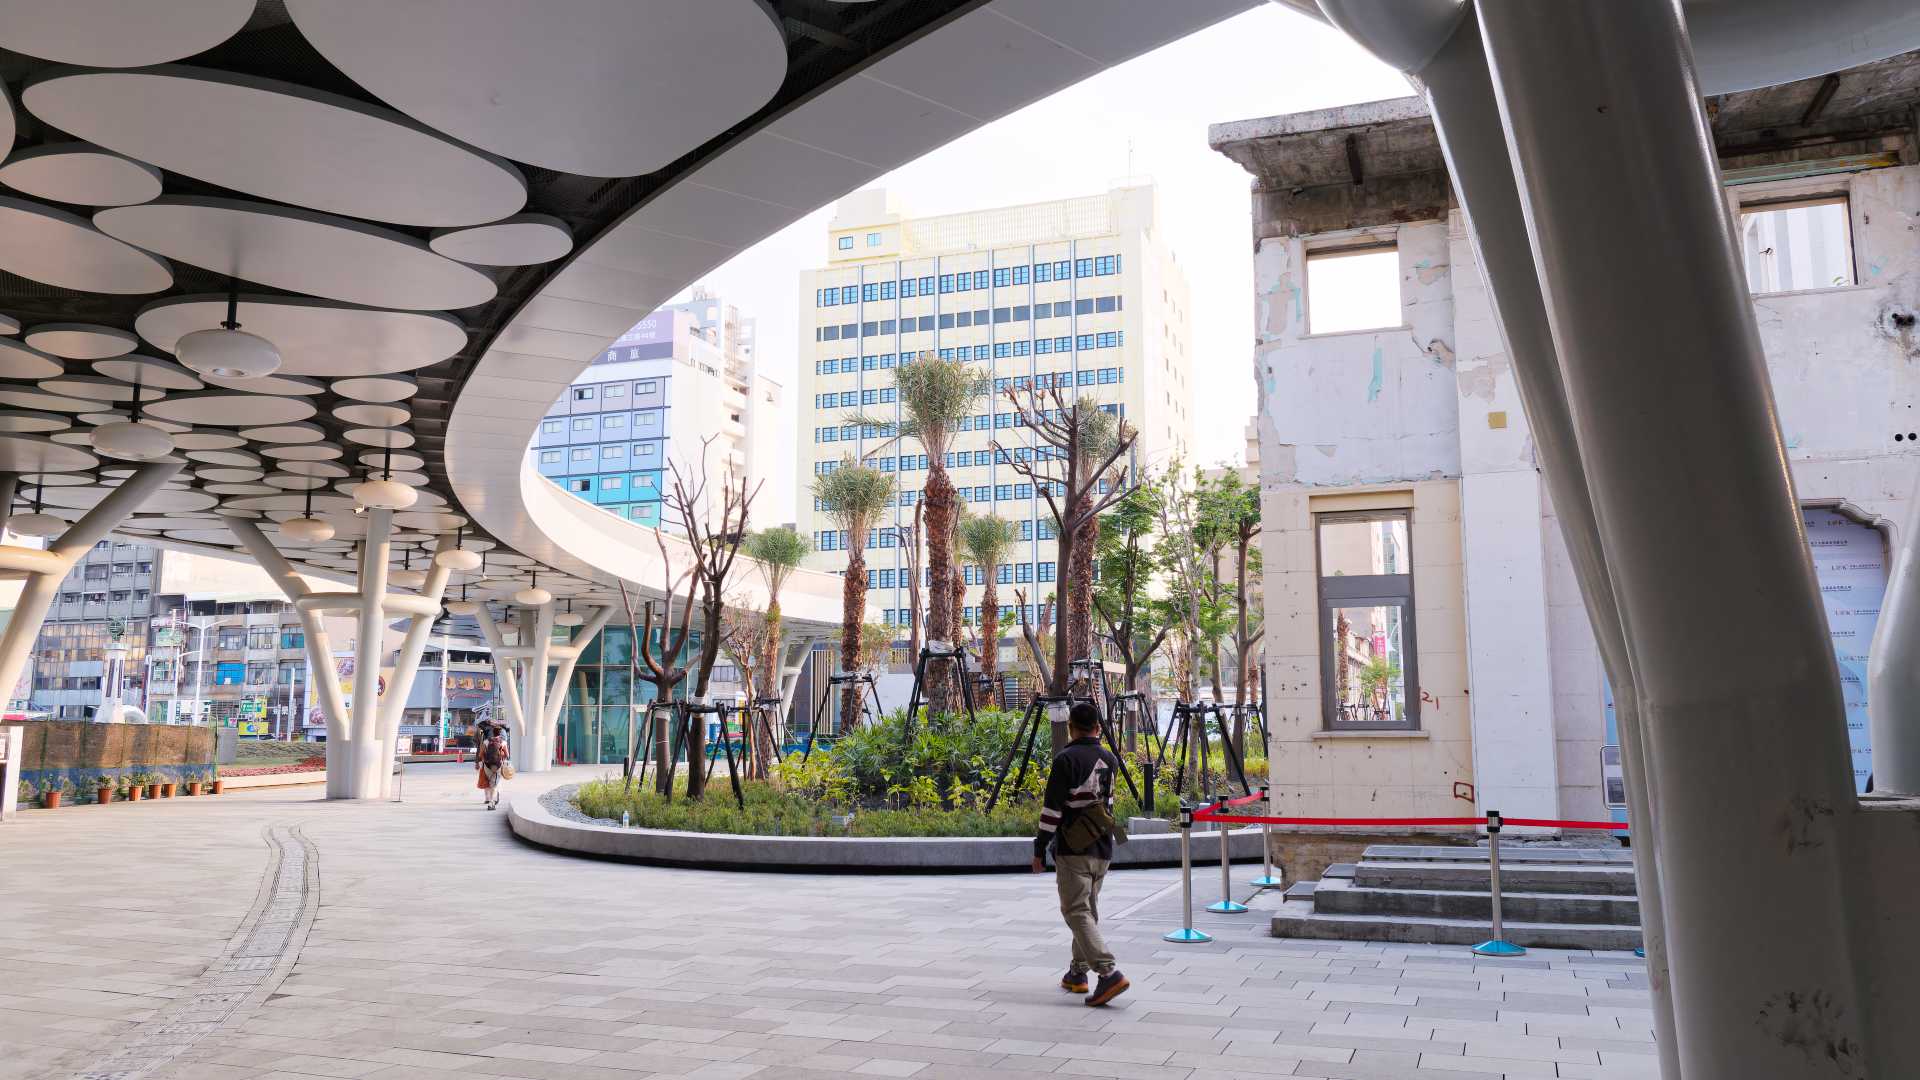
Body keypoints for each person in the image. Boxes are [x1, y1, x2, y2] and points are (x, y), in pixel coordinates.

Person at [1032, 701, 1128, 1006]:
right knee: (1086, 907)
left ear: (1071, 727)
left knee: (1076, 911)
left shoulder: (1065, 760)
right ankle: (1077, 973)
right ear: (1098, 728)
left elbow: (1051, 811)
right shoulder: (1110, 759)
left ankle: (1108, 972)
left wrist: (1039, 849)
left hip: (1074, 849)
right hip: (1103, 847)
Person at [477, 725, 508, 810]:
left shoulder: (486, 741)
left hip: (487, 766)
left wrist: (484, 761)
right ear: (500, 733)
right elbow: (507, 755)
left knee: (489, 783)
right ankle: (491, 803)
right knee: (494, 785)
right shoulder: (503, 742)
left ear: (492, 732)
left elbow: (480, 755)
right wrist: (502, 759)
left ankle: (488, 799)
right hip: (497, 766)